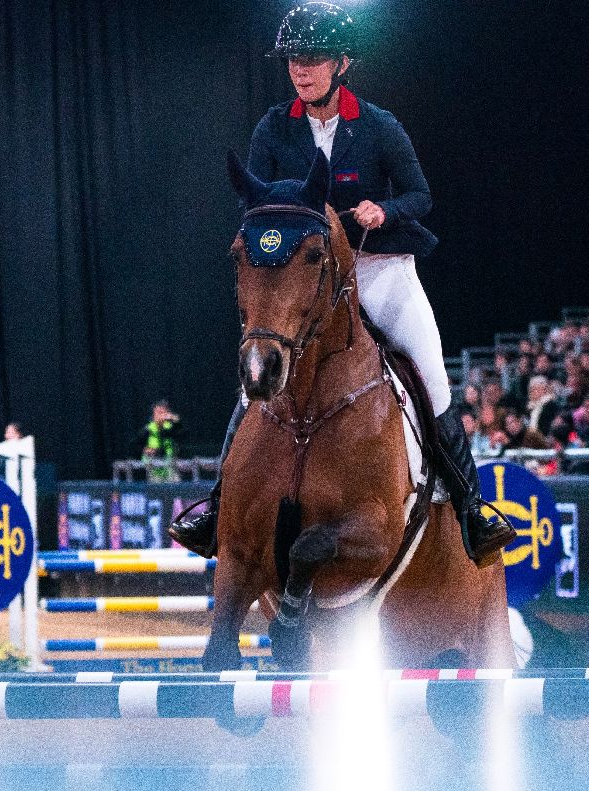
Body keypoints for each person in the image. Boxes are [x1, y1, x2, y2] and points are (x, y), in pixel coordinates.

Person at [170, 2, 514, 562]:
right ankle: (216, 506)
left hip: (379, 270)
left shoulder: (378, 126)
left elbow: (421, 195)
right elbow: (253, 205)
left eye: (312, 59)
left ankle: (472, 510)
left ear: (342, 63)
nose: (300, 70)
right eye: (293, 60)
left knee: (432, 374)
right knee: (254, 383)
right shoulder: (273, 129)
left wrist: (385, 209)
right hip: (306, 279)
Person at [140, 398, 182, 482]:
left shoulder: (170, 427)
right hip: (154, 468)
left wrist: (175, 419)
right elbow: (137, 446)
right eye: (158, 413)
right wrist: (145, 450)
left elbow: (179, 429)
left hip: (170, 466)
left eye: (163, 413)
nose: (160, 416)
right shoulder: (148, 429)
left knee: (175, 485)